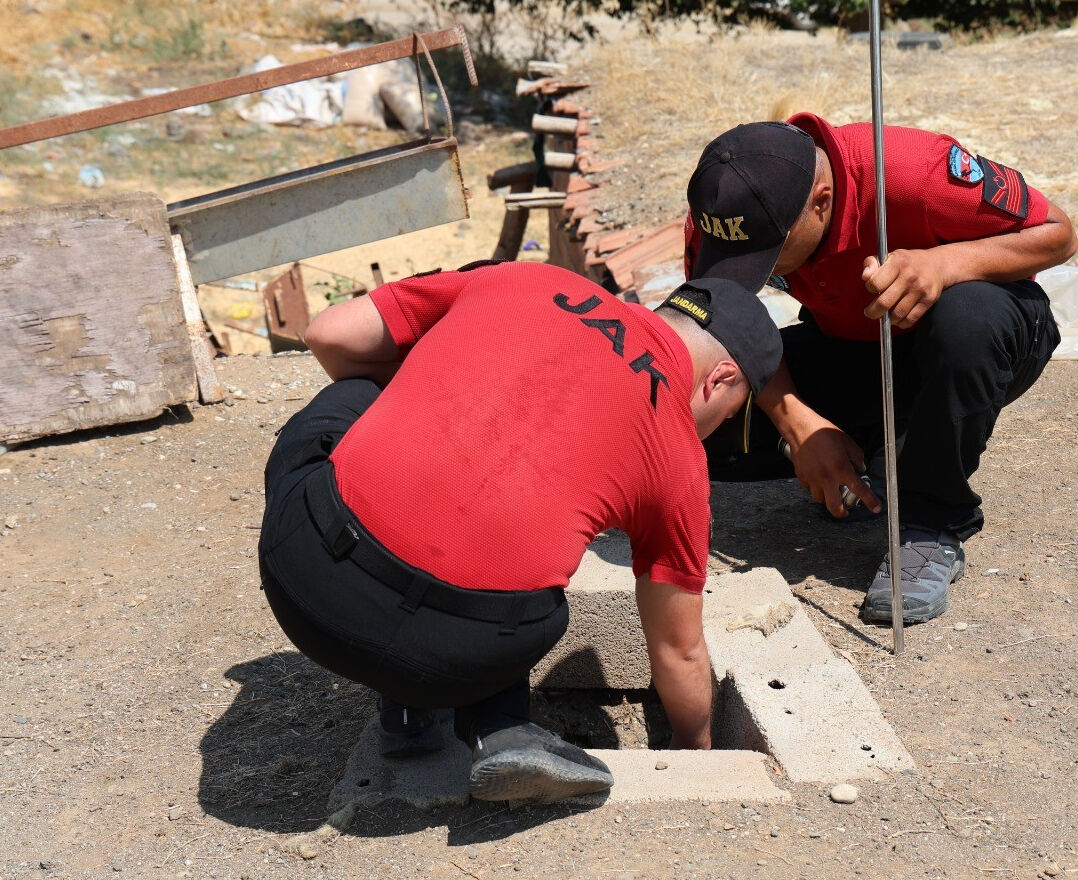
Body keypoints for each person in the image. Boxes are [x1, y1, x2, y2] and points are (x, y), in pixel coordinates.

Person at [257, 259, 782, 803]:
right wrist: (695, 748)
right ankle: (498, 726)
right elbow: (678, 647)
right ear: (720, 378)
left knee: (358, 391)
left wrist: (420, 395)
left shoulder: (530, 278)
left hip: (303, 583)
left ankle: (409, 716)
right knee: (521, 583)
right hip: (458, 659)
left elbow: (330, 334)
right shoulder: (679, 458)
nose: (713, 430)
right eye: (727, 416)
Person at [684, 115, 1077, 626]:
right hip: (853, 345)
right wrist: (798, 425)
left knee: (967, 318)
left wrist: (944, 265)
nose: (759, 271)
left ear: (822, 202)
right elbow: (722, 322)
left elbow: (1058, 234)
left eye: (769, 256)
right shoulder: (724, 212)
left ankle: (931, 524)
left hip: (972, 338)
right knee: (694, 407)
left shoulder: (913, 173)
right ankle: (870, 461)